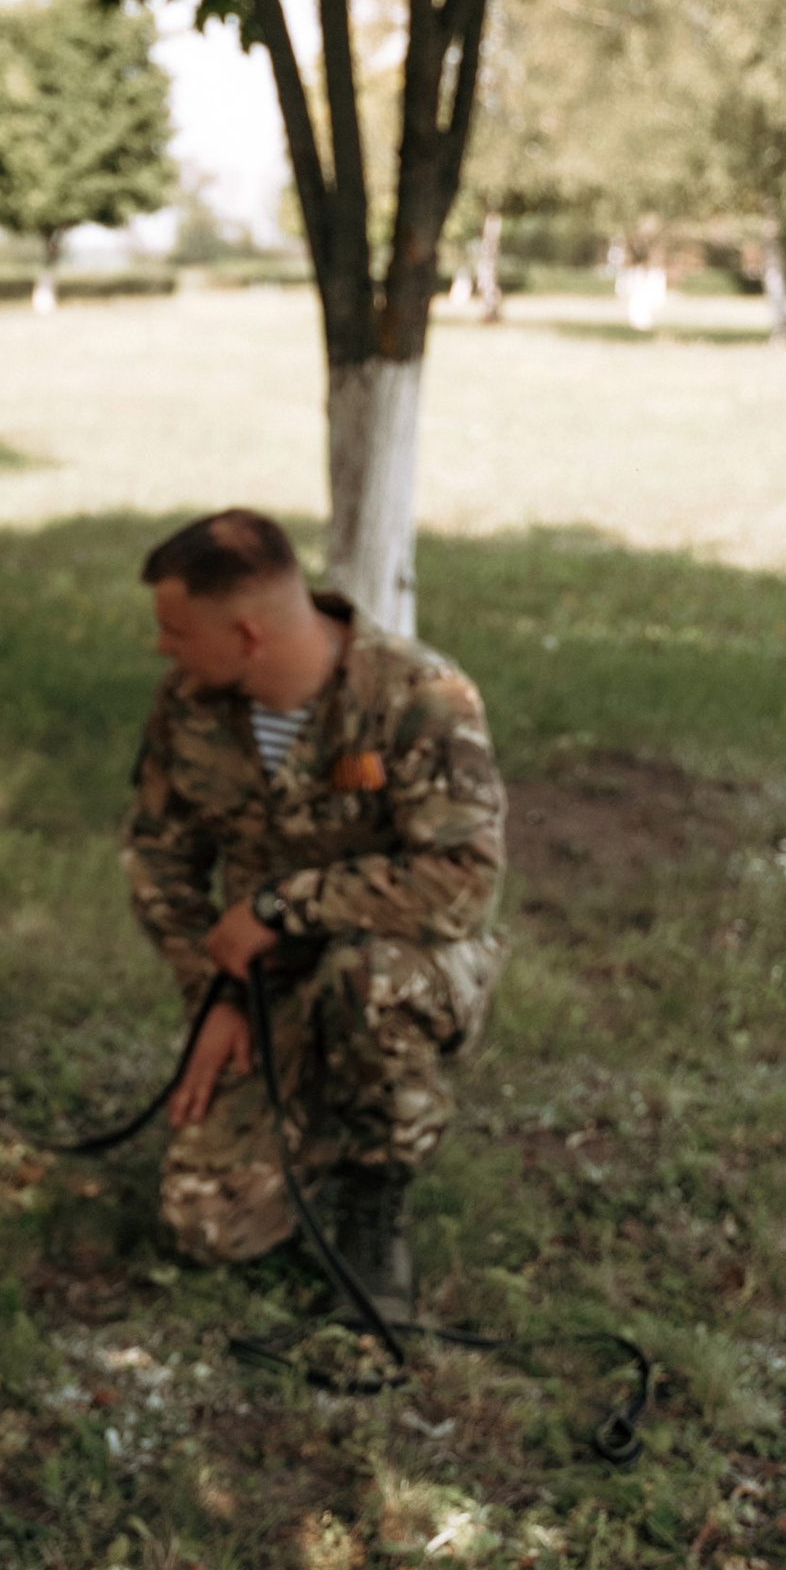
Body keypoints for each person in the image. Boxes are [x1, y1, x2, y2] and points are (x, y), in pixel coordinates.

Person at [120, 508, 506, 1319]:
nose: (164, 647)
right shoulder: (189, 706)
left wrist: (281, 906)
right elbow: (161, 861)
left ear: (249, 634)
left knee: (366, 975)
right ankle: (316, 1118)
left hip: (409, 965)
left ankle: (376, 1195)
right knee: (206, 1228)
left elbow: (463, 882)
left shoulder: (417, 697)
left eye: (177, 629)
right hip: (267, 985)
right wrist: (216, 992)